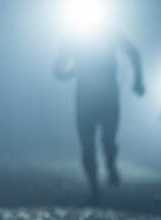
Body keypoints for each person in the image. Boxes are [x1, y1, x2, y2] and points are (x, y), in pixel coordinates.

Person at [54, 32, 144, 202]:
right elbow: (57, 70)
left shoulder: (106, 33)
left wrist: (138, 80)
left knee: (107, 139)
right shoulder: (74, 38)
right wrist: (72, 72)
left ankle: (109, 166)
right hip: (91, 97)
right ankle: (94, 185)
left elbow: (133, 52)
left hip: (103, 96)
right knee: (88, 143)